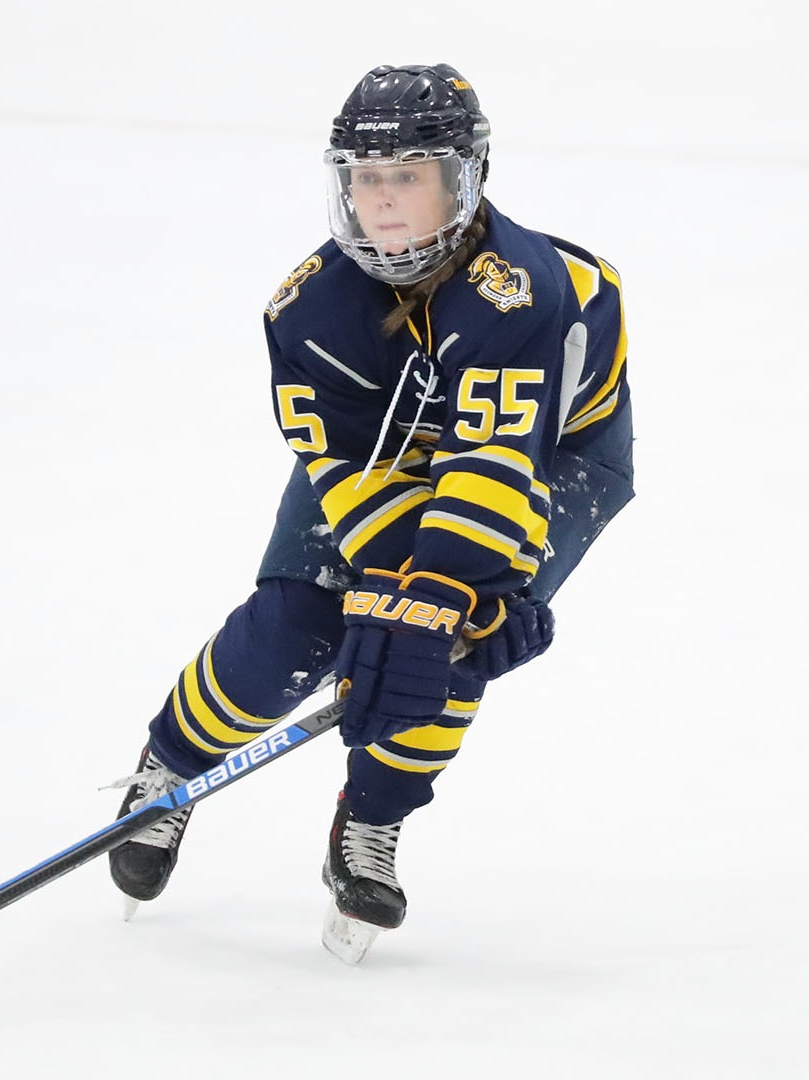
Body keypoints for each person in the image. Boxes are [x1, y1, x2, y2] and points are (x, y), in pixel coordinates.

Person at [106, 64, 635, 961]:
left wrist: (455, 595)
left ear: (465, 180)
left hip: (548, 456)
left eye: (409, 176)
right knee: (291, 629)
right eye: (366, 178)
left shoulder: (527, 290)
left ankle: (373, 819)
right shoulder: (308, 308)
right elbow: (344, 465)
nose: (383, 201)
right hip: (383, 459)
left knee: (449, 644)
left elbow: (495, 458)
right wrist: (389, 588)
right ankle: (170, 767)